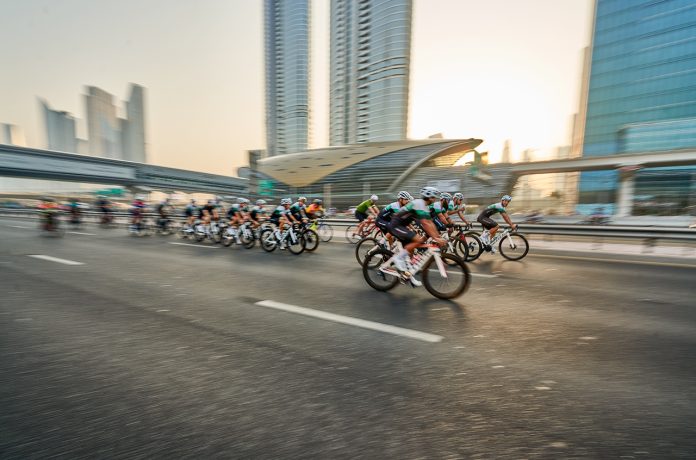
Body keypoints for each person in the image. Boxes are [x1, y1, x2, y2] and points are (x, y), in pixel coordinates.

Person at [387, 187, 446, 286]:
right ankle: (398, 258)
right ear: (428, 196)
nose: (435, 198)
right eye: (433, 196)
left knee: (413, 248)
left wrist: (438, 236)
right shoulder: (419, 203)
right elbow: (425, 223)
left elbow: (430, 223)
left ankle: (408, 275)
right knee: (418, 240)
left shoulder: (425, 206)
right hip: (395, 225)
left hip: (402, 226)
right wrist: (436, 238)